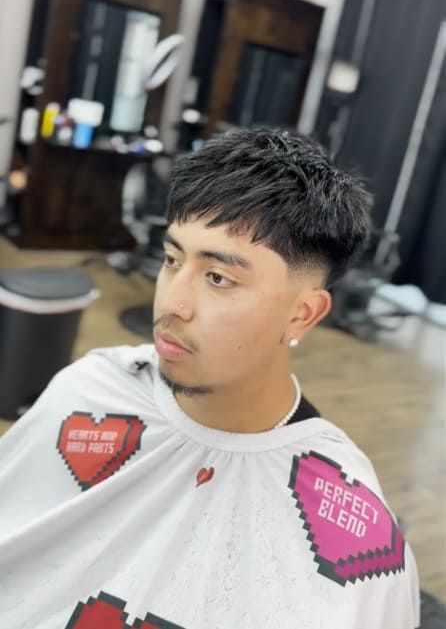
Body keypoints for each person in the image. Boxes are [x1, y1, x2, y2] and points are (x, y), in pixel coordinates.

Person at [0, 128, 419, 629]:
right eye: (173, 260)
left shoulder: (346, 524)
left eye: (219, 278)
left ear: (304, 314)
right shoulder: (90, 390)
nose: (173, 303)